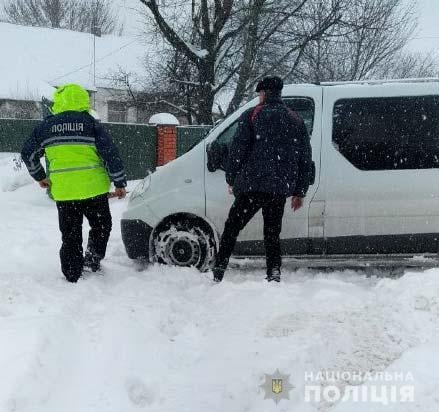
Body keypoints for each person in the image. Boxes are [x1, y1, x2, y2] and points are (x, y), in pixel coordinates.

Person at [21, 84, 127, 283]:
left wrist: (40, 176)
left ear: (59, 101)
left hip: (65, 193)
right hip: (94, 191)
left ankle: (72, 273)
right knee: (102, 226)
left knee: (70, 234)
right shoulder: (91, 124)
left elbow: (28, 154)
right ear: (82, 100)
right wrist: (119, 182)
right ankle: (92, 260)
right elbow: (110, 154)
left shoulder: (45, 127)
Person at [212, 76, 313, 283]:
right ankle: (273, 272)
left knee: (232, 227)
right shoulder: (295, 119)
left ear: (264, 93)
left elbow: (238, 150)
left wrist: (231, 177)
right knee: (272, 233)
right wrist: (300, 191)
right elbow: (305, 157)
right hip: (279, 188)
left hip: (252, 186)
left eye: (259, 94)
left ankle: (219, 270)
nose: (259, 97)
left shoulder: (252, 115)